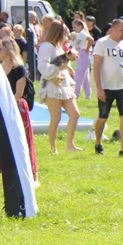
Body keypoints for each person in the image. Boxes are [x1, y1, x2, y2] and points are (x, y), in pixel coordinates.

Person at [0, 37, 39, 187]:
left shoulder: (20, 69)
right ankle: (8, 171)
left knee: (24, 141)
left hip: (17, 107)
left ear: (8, 50)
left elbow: (18, 93)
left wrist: (5, 105)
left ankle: (34, 176)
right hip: (3, 106)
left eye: (0, 49)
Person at [38, 19, 82, 154]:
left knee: (75, 114)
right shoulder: (46, 47)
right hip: (52, 85)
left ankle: (70, 145)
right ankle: (53, 148)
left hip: (64, 84)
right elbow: (44, 68)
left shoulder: (58, 47)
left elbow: (62, 62)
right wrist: (64, 59)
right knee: (56, 118)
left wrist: (68, 65)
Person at [92, 19, 123, 156]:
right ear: (113, 29)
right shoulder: (102, 43)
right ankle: (98, 142)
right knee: (103, 117)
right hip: (106, 87)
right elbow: (96, 67)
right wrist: (99, 88)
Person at [71, 18, 94, 101]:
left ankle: (76, 94)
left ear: (80, 26)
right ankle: (88, 94)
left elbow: (91, 40)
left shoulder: (82, 33)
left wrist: (87, 48)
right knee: (85, 76)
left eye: (75, 26)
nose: (74, 28)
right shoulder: (79, 34)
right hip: (81, 53)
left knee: (79, 75)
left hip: (83, 53)